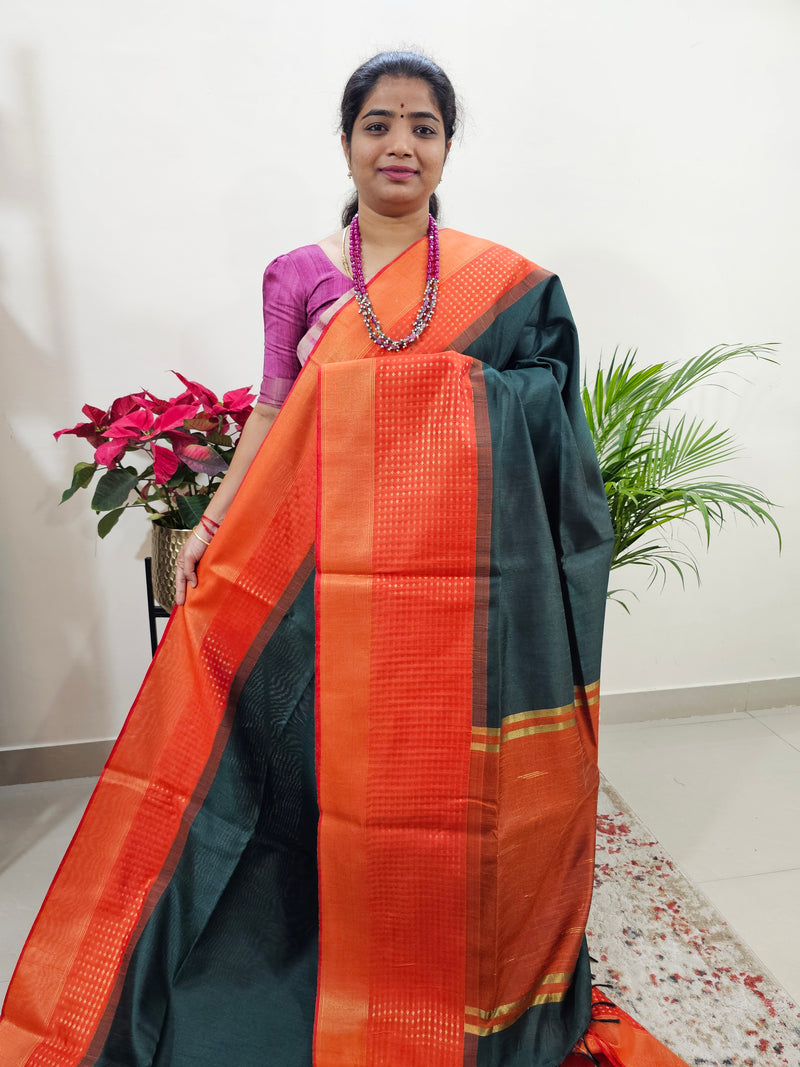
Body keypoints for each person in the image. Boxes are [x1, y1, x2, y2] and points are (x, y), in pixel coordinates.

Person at [0, 51, 688, 1067]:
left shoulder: (502, 284)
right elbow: (275, 413)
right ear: (345, 141)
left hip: (444, 591)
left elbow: (545, 406)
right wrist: (215, 525)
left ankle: (425, 953)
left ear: (447, 146)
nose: (398, 143)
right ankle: (311, 945)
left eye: (420, 125)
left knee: (429, 787)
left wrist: (458, 391)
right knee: (311, 771)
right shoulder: (300, 272)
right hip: (316, 572)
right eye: (377, 123)